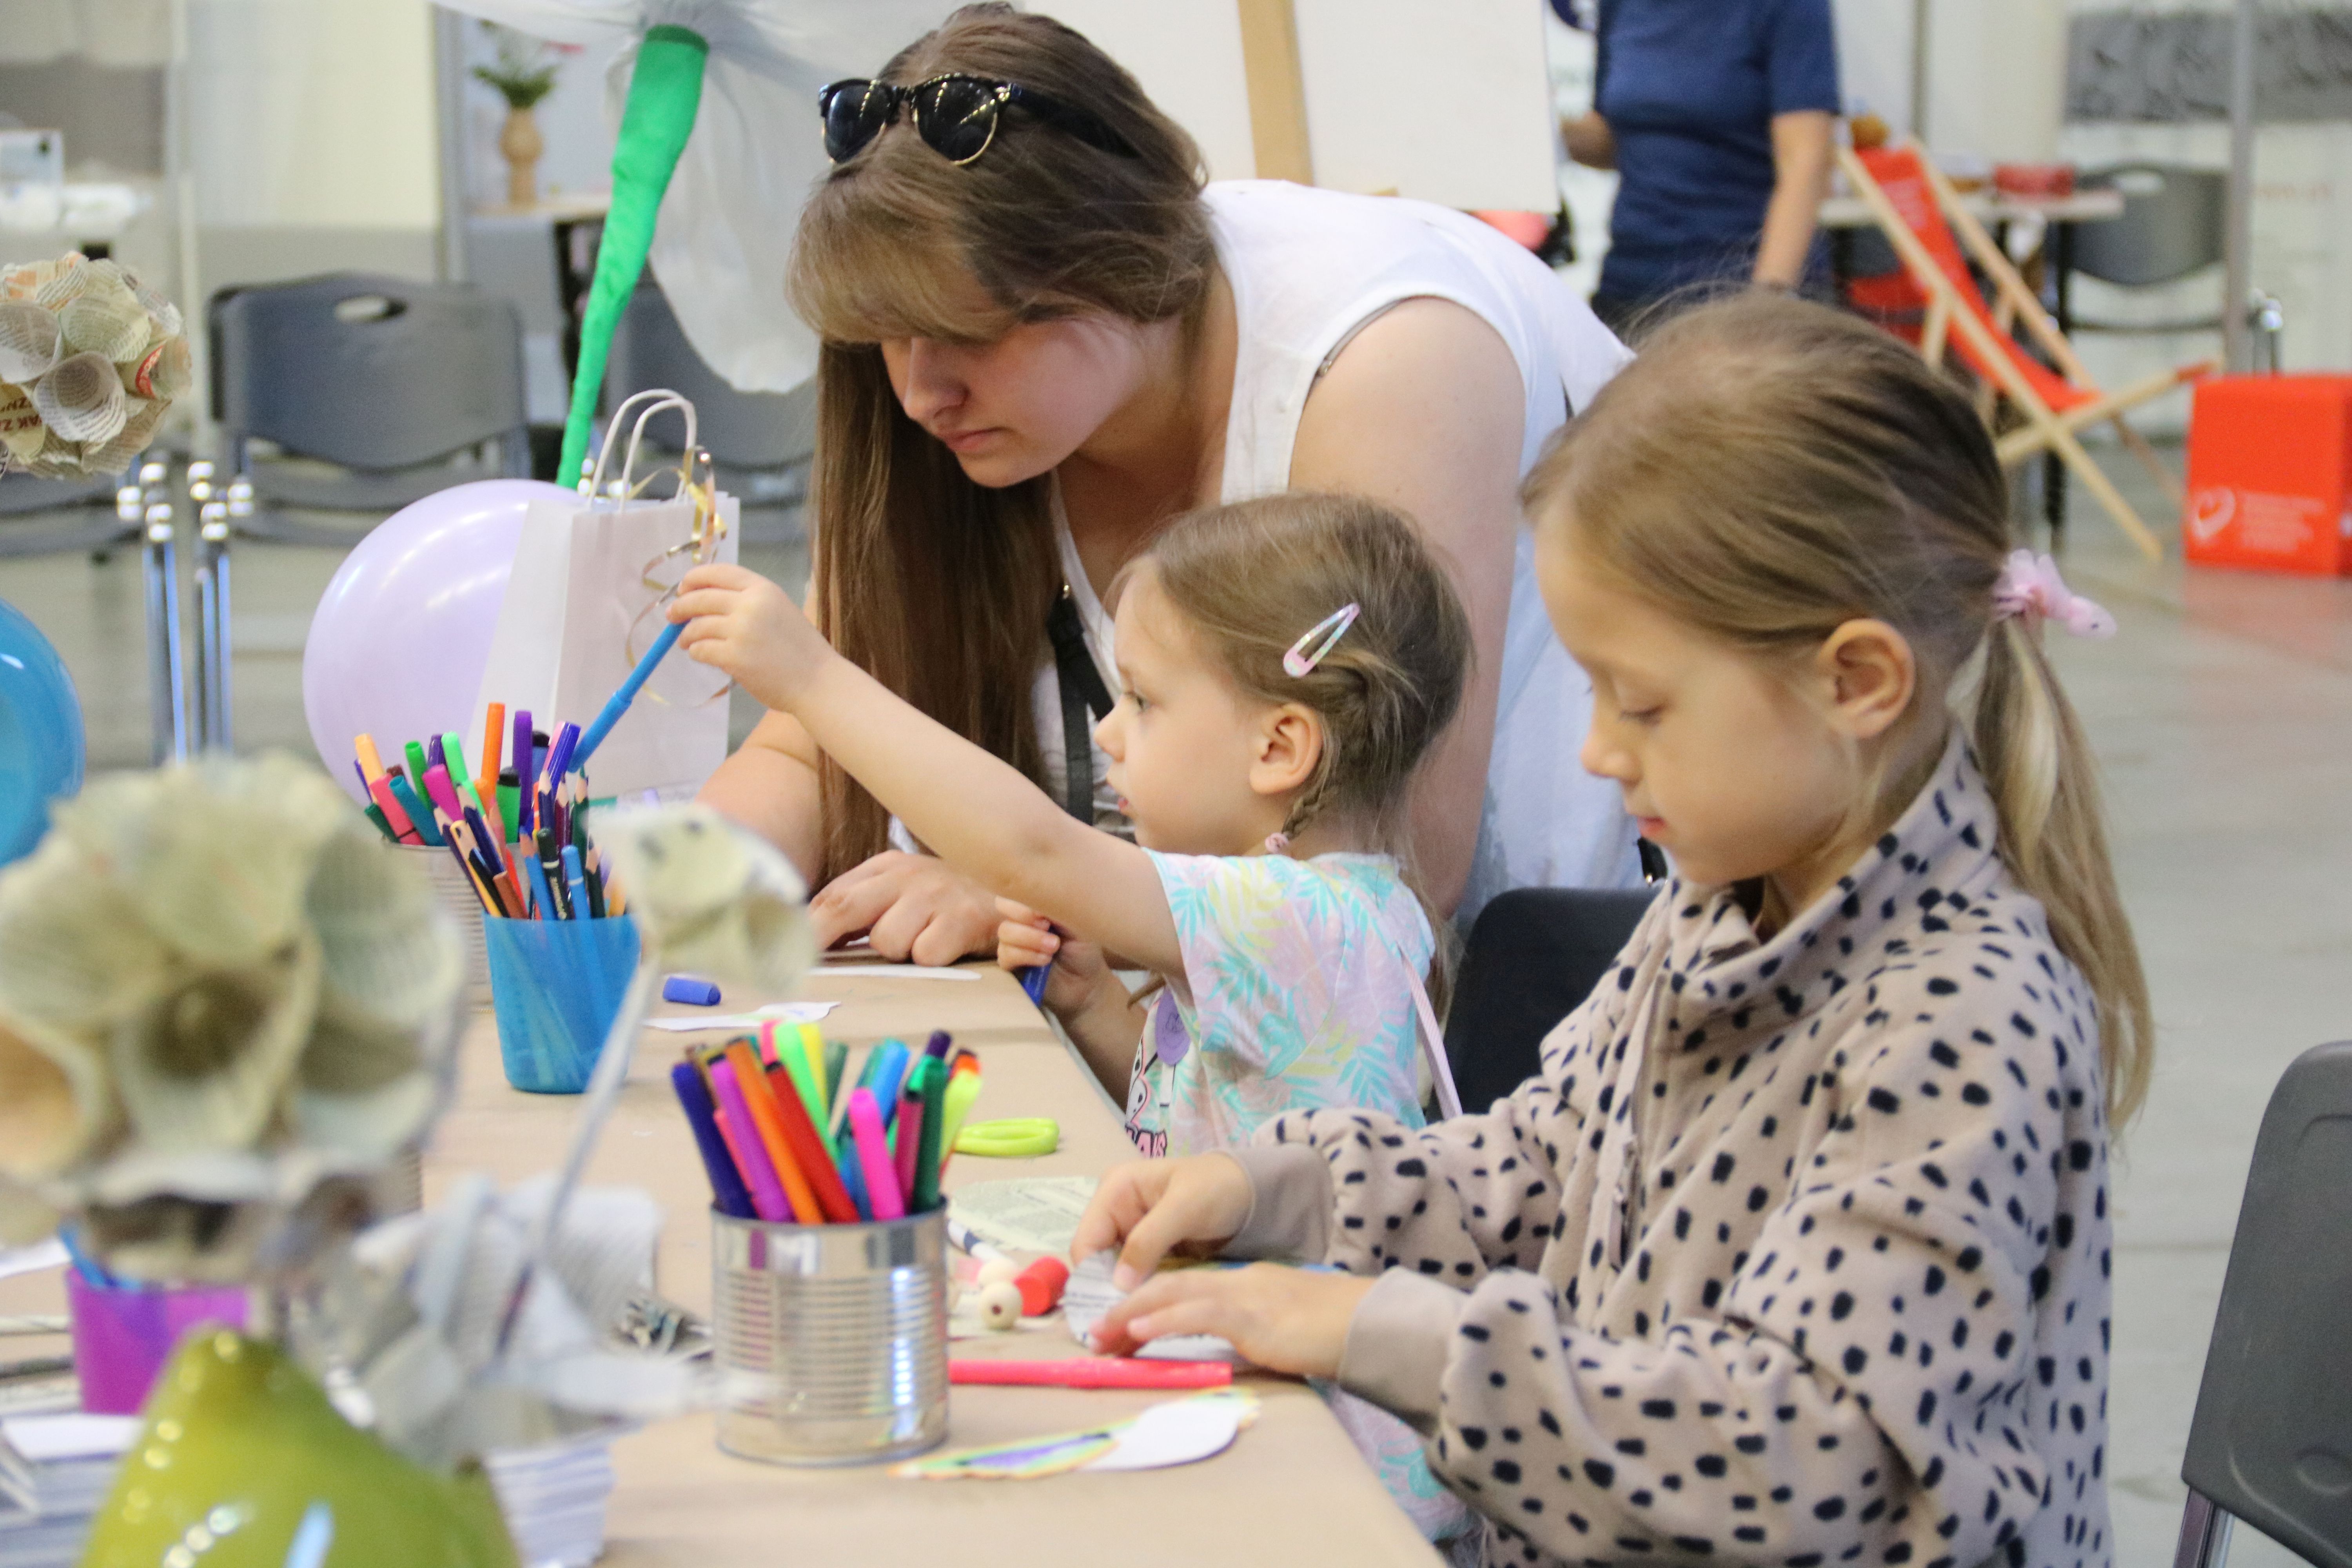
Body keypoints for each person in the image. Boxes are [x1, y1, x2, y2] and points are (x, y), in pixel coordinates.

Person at [1071, 295, 2152, 1568]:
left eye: (1640, 703)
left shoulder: (1963, 1019)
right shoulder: (1719, 906)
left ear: (1856, 682)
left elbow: (1801, 1457)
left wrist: (1373, 1333)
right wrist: (1279, 1191)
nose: (1596, 751)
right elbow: (1542, 1169)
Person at [699, 4, 1641, 966]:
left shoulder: (1391, 361)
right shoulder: (976, 422)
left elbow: (1389, 868)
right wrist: (680, 880)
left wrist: (1031, 889)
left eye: (966, 332)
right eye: (889, 336)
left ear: (1113, 263)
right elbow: (807, 748)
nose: (918, 393)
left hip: (1538, 999)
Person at [671, 492, 1467, 1153]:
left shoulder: (1301, 918)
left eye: (1143, 701)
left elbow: (1033, 851)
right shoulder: (1311, 912)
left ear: (1279, 746)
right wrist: (1092, 1006)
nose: (1107, 732)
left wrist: (811, 678)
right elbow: (1194, 1125)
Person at [1557, 0, 1840, 333]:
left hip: (1742, 286)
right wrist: (1544, 130)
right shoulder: (1621, 6)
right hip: (1631, 282)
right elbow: (1613, 142)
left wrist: (1769, 300)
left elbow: (1805, 162)